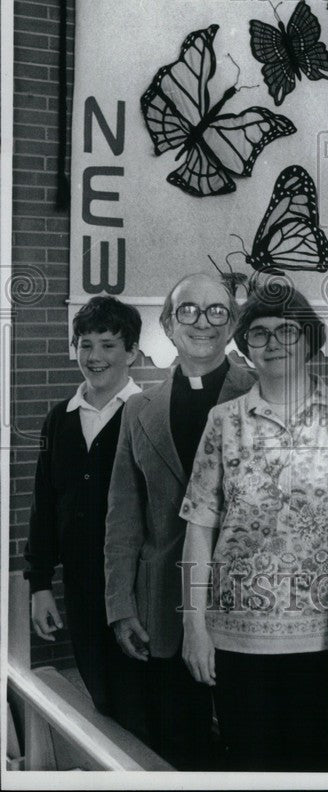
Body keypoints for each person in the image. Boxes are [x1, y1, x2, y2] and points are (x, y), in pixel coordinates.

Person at [180, 281, 328, 771]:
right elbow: (199, 526)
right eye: (258, 333)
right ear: (243, 344)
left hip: (325, 635)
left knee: (315, 766)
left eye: (288, 330)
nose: (273, 342)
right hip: (237, 638)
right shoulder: (223, 420)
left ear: (311, 340)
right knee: (250, 765)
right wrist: (193, 624)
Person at [104, 272, 254, 769]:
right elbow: (123, 515)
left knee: (247, 744)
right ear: (167, 324)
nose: (202, 322)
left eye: (217, 312)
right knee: (178, 748)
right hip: (162, 605)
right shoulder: (138, 410)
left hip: (250, 605)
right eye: (187, 310)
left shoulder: (262, 394)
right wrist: (121, 603)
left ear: (232, 324)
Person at [24, 296, 143, 721]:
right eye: (85, 344)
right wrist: (39, 585)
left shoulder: (149, 415)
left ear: (132, 352)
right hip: (81, 592)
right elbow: (44, 506)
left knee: (141, 708)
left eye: (109, 344)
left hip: (137, 595)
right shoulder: (59, 419)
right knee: (103, 705)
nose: (94, 357)